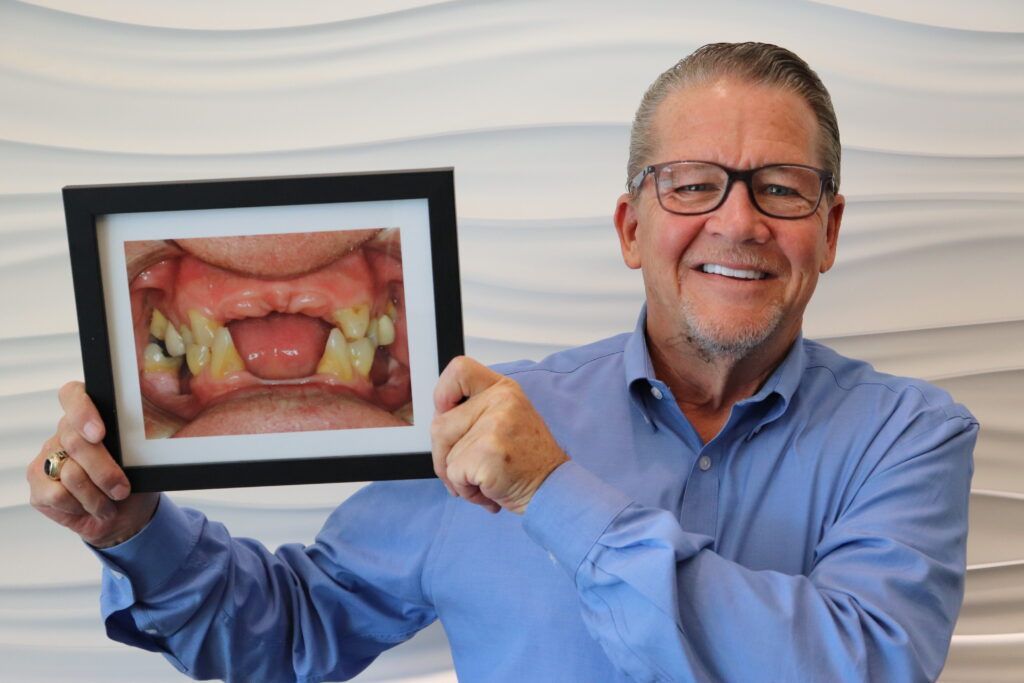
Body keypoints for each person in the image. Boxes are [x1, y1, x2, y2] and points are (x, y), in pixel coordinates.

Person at [28, 42, 976, 682]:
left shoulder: (908, 436)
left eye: (781, 187)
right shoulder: (471, 422)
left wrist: (554, 491)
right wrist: (133, 524)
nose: (737, 221)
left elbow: (867, 664)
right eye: (692, 184)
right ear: (630, 226)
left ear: (830, 230)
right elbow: (291, 629)